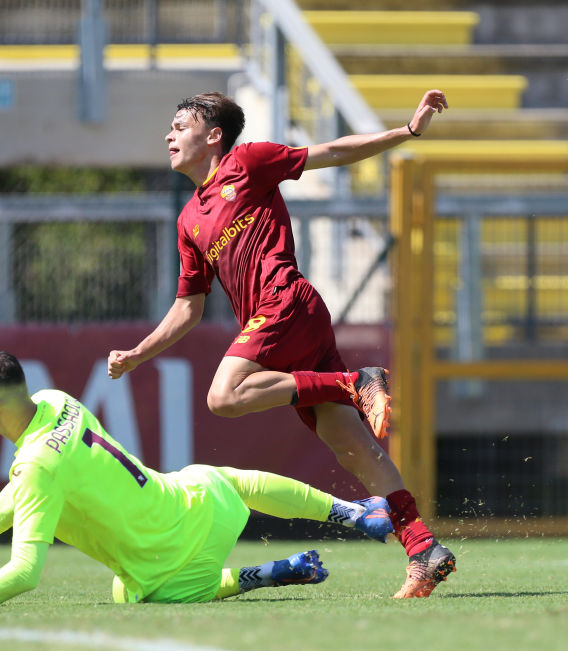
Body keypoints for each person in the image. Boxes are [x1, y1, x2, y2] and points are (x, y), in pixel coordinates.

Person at [106, 89, 455, 598]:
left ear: (213, 136)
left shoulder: (248, 161)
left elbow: (331, 152)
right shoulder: (188, 221)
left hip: (285, 303)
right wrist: (139, 352)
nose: (169, 135)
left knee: (223, 396)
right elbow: (188, 308)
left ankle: (355, 382)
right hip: (284, 328)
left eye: (180, 126)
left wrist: (406, 132)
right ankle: (423, 549)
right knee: (352, 447)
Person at [0, 350, 395, 608]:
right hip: (199, 508)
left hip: (169, 577)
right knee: (218, 478)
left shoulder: (34, 467)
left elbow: (25, 573)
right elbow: (29, 489)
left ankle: (265, 574)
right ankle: (353, 512)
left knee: (132, 591)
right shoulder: (56, 402)